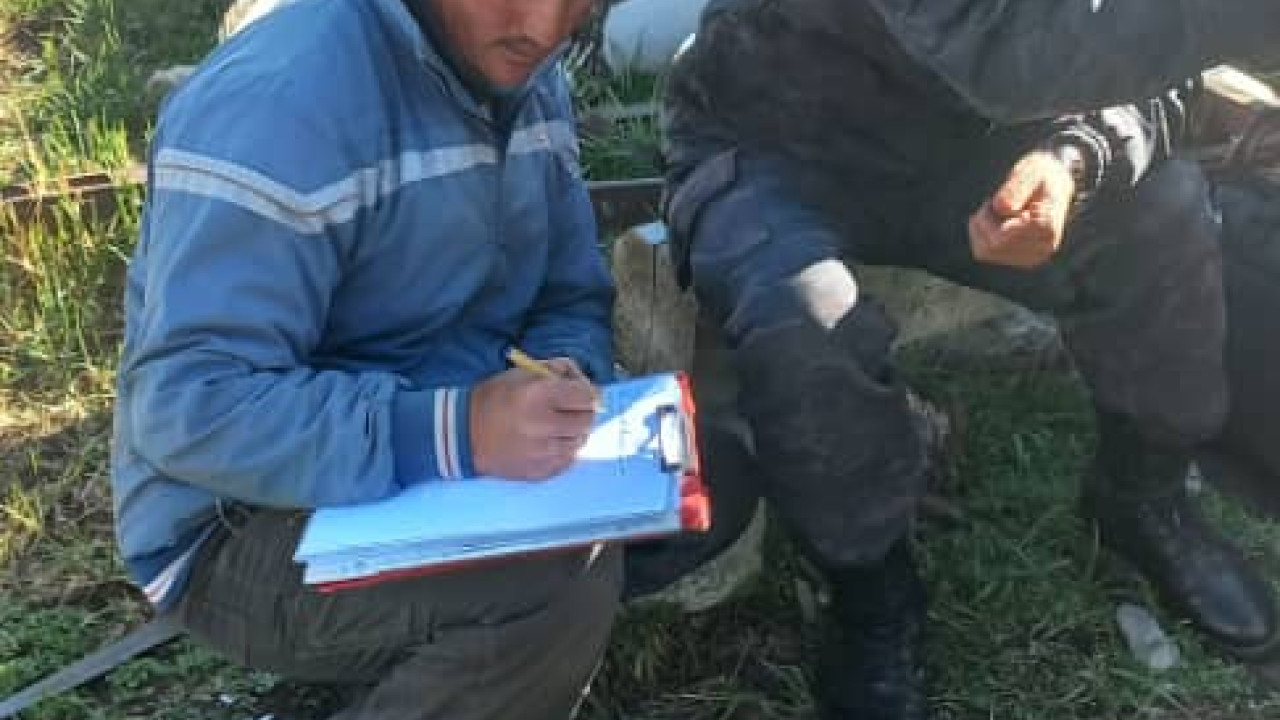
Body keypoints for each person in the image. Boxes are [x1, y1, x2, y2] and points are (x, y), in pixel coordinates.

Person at [658, 1, 1280, 718]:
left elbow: (1162, 64)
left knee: (1161, 211)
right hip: (775, 131)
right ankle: (872, 594)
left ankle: (1143, 498)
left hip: (964, 142)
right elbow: (994, 48)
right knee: (803, 324)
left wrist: (1076, 159)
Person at [110, 1, 621, 718]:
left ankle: (447, 663)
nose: (542, 29)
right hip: (241, 518)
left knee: (705, 477)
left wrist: (566, 370)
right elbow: (191, 406)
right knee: (558, 582)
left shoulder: (525, 72)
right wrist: (456, 430)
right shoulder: (280, 103)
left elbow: (569, 294)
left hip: (450, 461)